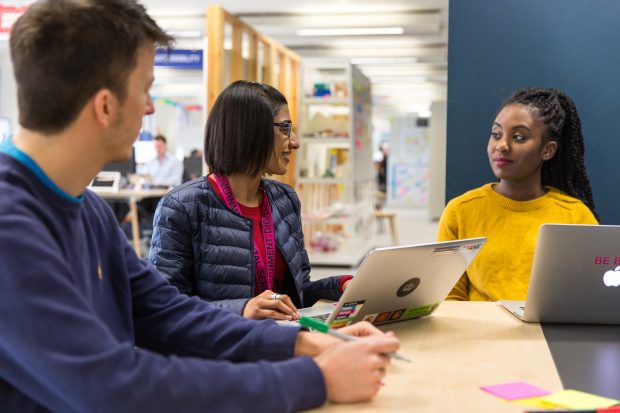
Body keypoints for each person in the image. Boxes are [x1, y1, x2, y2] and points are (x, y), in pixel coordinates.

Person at [0, 1, 401, 412]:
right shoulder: (11, 228)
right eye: (145, 89)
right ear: (105, 106)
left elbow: (169, 314)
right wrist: (314, 378)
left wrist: (308, 342)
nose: (151, 107)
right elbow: (110, 385)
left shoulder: (87, 210)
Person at [150, 81, 353, 321]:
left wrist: (341, 285)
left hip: (282, 341)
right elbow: (164, 309)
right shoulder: (182, 207)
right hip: (222, 350)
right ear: (251, 131)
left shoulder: (285, 200)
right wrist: (242, 309)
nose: (295, 142)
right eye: (285, 129)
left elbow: (295, 295)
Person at [437, 87, 598, 302]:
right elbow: (449, 297)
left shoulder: (575, 216)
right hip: (478, 333)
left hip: (548, 334)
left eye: (519, 137)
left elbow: (591, 296)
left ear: (547, 150)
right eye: (496, 134)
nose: (502, 146)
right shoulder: (461, 210)